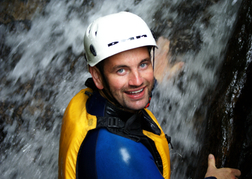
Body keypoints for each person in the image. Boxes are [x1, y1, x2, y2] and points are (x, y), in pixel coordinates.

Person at [58, 12, 241, 179]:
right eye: (121, 70)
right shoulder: (122, 156)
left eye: (143, 64)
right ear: (97, 76)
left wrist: (155, 80)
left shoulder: (87, 100)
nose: (138, 80)